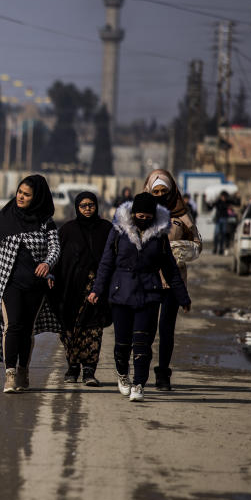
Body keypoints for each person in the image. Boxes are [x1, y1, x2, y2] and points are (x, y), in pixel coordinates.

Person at [88, 193, 191, 402]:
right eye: (139, 215)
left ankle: (139, 384)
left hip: (149, 293)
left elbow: (170, 268)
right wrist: (96, 290)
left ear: (153, 216)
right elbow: (107, 263)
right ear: (133, 213)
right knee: (123, 343)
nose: (143, 219)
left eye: (147, 216)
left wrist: (183, 297)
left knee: (143, 343)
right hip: (121, 292)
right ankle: (122, 374)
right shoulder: (118, 231)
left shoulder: (160, 236)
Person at [0, 175, 61, 393]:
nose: (20, 197)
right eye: (19, 192)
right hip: (7, 283)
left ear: (37, 198)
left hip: (35, 285)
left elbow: (55, 248)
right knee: (12, 326)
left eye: (26, 194)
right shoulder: (6, 217)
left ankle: (24, 369)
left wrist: (47, 263)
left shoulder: (45, 222)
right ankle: (10, 374)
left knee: (27, 330)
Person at [143, 169, 202, 390]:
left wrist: (180, 250)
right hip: (148, 279)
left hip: (173, 279)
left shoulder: (183, 216)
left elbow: (197, 243)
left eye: (163, 191)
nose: (159, 195)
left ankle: (163, 374)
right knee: (146, 328)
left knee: (166, 328)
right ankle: (141, 371)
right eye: (155, 191)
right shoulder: (142, 212)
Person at [49, 191, 113, 386]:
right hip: (69, 289)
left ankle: (89, 370)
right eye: (83, 205)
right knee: (69, 329)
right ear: (77, 207)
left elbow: (113, 257)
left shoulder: (106, 229)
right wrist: (51, 275)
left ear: (96, 206)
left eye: (91, 205)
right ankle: (73, 366)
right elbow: (56, 257)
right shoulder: (67, 230)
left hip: (97, 288)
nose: (87, 209)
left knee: (93, 329)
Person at [212, 190, 233, 255]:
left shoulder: (228, 202)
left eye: (225, 197)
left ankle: (221, 249)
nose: (224, 198)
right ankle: (215, 248)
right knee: (217, 234)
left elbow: (235, 204)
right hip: (218, 219)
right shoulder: (218, 202)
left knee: (223, 234)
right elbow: (211, 206)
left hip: (224, 219)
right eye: (223, 197)